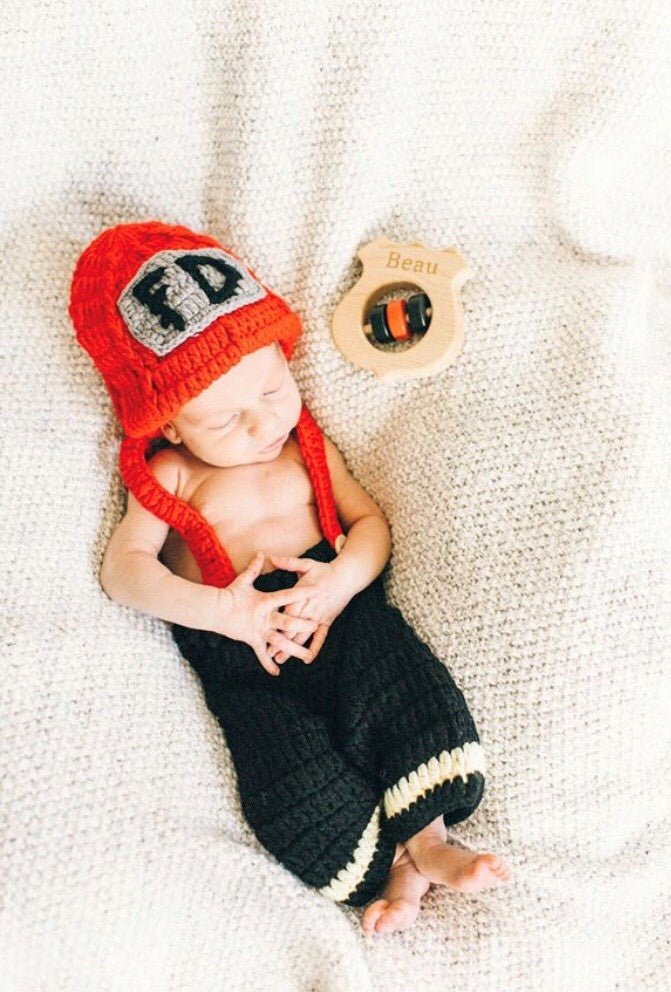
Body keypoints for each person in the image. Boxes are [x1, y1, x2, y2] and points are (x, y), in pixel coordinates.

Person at [68, 220, 511, 936]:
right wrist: (228, 614)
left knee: (399, 683)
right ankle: (389, 872)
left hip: (339, 612)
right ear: (170, 426)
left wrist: (339, 585)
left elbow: (370, 526)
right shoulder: (170, 474)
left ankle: (429, 840)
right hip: (243, 654)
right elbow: (124, 573)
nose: (261, 425)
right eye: (226, 420)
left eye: (275, 389)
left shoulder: (304, 446)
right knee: (286, 772)